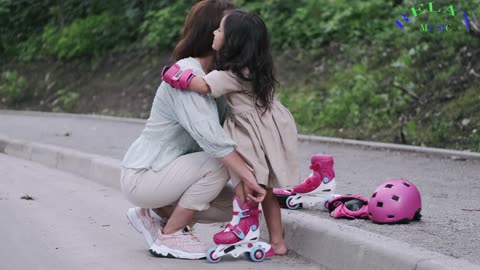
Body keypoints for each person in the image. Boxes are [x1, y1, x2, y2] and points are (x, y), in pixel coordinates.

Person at [120, 0, 266, 260]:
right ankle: (172, 233)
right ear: (212, 31)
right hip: (146, 173)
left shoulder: (215, 79)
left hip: (170, 171)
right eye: (225, 27)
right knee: (222, 163)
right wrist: (249, 175)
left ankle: (156, 214)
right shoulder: (188, 73)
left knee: (232, 203)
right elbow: (213, 140)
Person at [162, 9, 300, 256]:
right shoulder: (253, 68)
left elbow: (203, 86)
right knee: (266, 189)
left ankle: (244, 226)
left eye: (220, 30)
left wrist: (175, 76)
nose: (214, 32)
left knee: (244, 178)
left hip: (251, 131)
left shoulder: (231, 75)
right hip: (271, 125)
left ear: (232, 41)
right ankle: (277, 243)